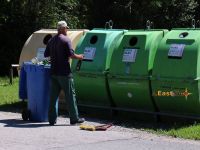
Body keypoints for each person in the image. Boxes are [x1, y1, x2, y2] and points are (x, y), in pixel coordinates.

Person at [44, 20, 85, 125]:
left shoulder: (51, 41)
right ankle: (74, 119)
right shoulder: (66, 40)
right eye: (67, 28)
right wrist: (80, 57)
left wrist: (55, 56)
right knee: (70, 96)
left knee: (53, 98)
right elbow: (71, 55)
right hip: (65, 73)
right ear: (62, 29)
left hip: (54, 73)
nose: (67, 29)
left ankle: (52, 120)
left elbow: (46, 54)